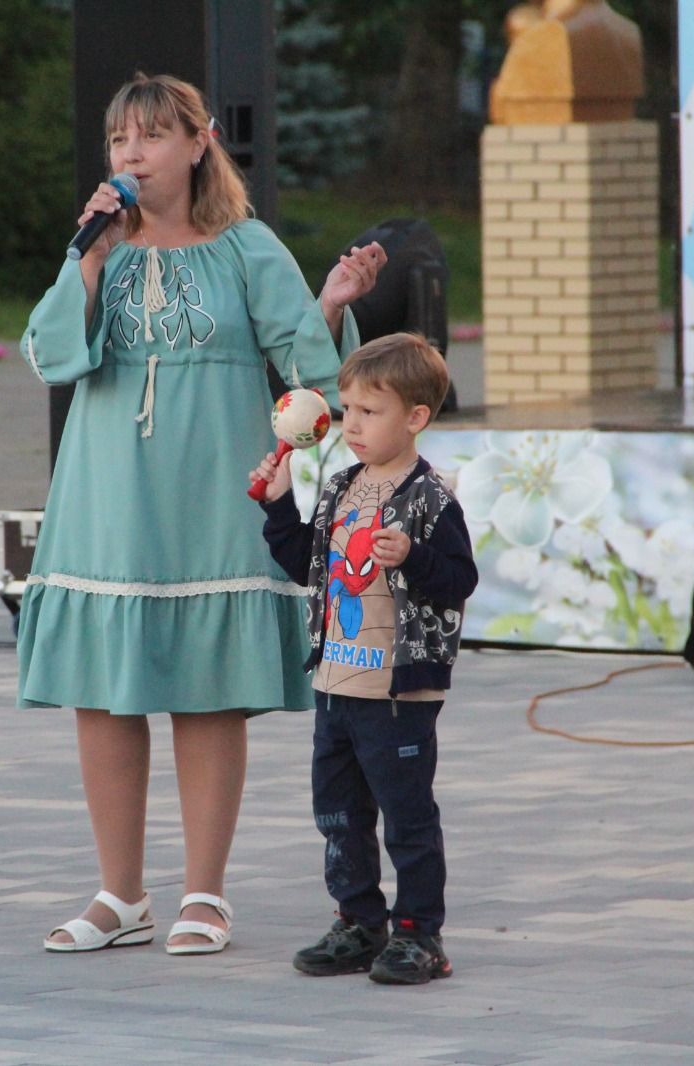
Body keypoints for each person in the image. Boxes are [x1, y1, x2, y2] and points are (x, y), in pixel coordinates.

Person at [18, 73, 386, 956]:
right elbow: (47, 354)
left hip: (215, 490)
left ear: (198, 142)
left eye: (149, 136)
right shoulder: (97, 249)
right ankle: (119, 894)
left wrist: (329, 306)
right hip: (107, 493)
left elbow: (310, 373)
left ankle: (204, 894)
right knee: (104, 693)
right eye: (118, 141)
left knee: (207, 692)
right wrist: (91, 257)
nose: (131, 154)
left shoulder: (245, 246)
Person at [248, 332, 478, 985]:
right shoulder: (341, 487)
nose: (351, 425)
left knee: (407, 818)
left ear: (415, 419)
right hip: (336, 684)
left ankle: (418, 934)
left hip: (398, 693)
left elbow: (459, 579)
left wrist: (414, 557)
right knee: (338, 813)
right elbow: (307, 567)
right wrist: (277, 508)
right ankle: (358, 920)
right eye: (346, 410)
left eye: (369, 412)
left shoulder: (431, 497)